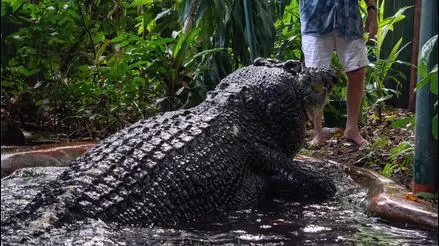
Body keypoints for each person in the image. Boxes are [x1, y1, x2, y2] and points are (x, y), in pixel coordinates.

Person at [299, 0, 378, 146]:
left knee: (357, 71)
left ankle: (352, 129)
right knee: (315, 78)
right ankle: (318, 132)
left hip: (349, 20)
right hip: (315, 19)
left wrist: (372, 11)